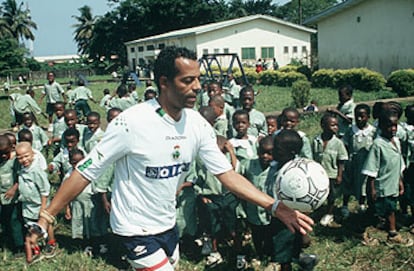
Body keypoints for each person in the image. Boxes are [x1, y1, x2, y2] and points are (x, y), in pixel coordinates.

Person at [24, 46, 314, 268]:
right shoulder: (131, 123)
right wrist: (47, 216)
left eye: (198, 79)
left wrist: (275, 206)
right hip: (133, 229)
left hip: (167, 226)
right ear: (164, 82)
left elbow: (227, 175)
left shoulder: (197, 124)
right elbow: (85, 171)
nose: (198, 87)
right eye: (188, 80)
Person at [266, 130, 318, 271]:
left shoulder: (297, 173)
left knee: (284, 256)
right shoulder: (274, 166)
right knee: (283, 250)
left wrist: (304, 233)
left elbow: (305, 202)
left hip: (290, 219)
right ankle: (304, 261)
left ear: (292, 152)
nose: (273, 151)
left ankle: (294, 262)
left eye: (278, 149)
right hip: (276, 215)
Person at [362, 110, 413, 247]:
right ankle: (391, 234)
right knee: (383, 210)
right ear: (381, 127)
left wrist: (400, 182)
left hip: (392, 184)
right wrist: (372, 189)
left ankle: (388, 231)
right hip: (382, 186)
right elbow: (371, 170)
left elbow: (398, 165)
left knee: (387, 210)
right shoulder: (378, 145)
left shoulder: (395, 141)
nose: (393, 129)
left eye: (395, 125)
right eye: (389, 126)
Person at [16, 142, 57, 261]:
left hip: (39, 204)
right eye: (20, 158)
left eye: (26, 156)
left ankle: (51, 242)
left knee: (45, 224)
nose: (24, 160)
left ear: (33, 154)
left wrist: (43, 207)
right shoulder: (22, 169)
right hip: (27, 204)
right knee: (31, 226)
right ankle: (35, 249)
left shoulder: (36, 170)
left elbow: (45, 190)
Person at [313, 114, 348, 228]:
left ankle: (329, 213)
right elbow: (312, 157)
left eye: (336, 125)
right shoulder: (316, 140)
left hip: (332, 173)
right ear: (323, 126)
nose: (336, 128)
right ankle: (317, 211)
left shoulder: (338, 143)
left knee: (332, 196)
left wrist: (339, 175)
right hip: (319, 174)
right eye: (332, 125)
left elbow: (341, 160)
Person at [341, 104, 376, 218]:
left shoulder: (372, 131)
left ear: (368, 117)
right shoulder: (351, 130)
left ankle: (361, 203)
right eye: (357, 116)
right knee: (348, 181)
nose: (359, 119)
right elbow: (345, 144)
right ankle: (345, 205)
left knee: (363, 184)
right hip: (351, 161)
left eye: (362, 116)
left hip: (365, 162)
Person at [0, 135, 24, 256]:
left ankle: (18, 247)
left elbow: (21, 176)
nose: (3, 156)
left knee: (14, 221)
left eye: (5, 153)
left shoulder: (14, 162)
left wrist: (14, 189)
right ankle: (7, 242)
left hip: (13, 198)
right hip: (2, 198)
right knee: (4, 221)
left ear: (11, 148)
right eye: (0, 154)